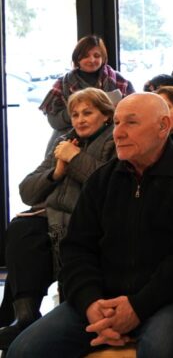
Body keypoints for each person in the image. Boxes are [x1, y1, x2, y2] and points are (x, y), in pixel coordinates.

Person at [6, 93, 173, 358]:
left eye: (131, 123)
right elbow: (76, 249)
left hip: (166, 299)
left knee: (159, 349)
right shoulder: (102, 179)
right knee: (24, 350)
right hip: (101, 299)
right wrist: (90, 303)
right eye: (117, 122)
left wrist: (137, 307)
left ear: (163, 126)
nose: (118, 133)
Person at [0, 88, 117, 348]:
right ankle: (25, 316)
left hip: (85, 218)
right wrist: (56, 172)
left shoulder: (114, 140)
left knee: (37, 237)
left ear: (106, 115)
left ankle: (23, 322)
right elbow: (26, 190)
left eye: (88, 113)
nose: (80, 120)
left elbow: (108, 184)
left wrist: (75, 159)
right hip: (51, 215)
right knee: (22, 229)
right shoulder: (64, 140)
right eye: (75, 114)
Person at [38, 34, 133, 135]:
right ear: (77, 58)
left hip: (113, 134)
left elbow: (134, 112)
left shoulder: (119, 80)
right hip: (72, 136)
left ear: (103, 58)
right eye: (86, 56)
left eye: (96, 56)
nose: (91, 60)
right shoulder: (62, 84)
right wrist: (77, 112)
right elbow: (54, 121)